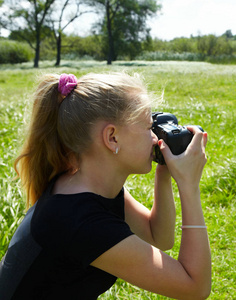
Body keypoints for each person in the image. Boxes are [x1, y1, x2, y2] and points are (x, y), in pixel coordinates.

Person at [0, 72, 211, 300]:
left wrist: (164, 168)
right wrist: (189, 186)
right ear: (112, 138)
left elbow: (158, 237)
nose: (155, 137)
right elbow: (195, 288)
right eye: (148, 127)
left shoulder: (85, 183)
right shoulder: (80, 221)